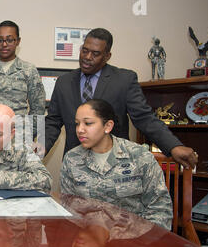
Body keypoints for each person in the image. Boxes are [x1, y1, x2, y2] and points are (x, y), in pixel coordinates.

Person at [44, 28, 198, 170]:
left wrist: (173, 146)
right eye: (85, 51)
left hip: (114, 168)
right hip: (75, 166)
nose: (87, 57)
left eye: (95, 53)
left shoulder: (124, 80)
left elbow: (144, 118)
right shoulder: (64, 82)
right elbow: (53, 122)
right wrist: (38, 150)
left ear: (107, 56)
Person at [60, 99, 172, 230]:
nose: (80, 130)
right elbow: (68, 208)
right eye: (77, 124)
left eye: (88, 123)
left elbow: (160, 208)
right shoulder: (72, 159)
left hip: (133, 240)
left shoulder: (138, 156)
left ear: (108, 126)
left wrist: (144, 242)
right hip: (90, 240)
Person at [0, 20, 46, 141]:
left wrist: (27, 135)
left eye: (9, 40)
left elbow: (38, 109)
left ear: (18, 41)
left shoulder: (28, 70)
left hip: (18, 139)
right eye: (0, 40)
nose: (4, 44)